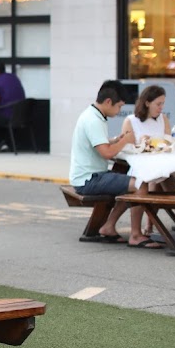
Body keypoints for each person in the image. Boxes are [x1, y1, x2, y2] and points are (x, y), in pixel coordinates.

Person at [70, 80, 158, 249]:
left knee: (128, 183)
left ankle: (109, 226)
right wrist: (125, 140)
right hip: (90, 179)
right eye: (119, 107)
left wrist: (115, 140)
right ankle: (136, 235)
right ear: (108, 102)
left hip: (88, 176)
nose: (119, 112)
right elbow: (107, 153)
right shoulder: (94, 120)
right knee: (140, 184)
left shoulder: (93, 114)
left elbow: (100, 144)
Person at [121, 85, 175, 233]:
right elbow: (129, 147)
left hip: (161, 163)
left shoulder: (162, 119)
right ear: (147, 103)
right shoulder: (131, 121)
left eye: (163, 104)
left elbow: (168, 141)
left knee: (165, 175)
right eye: (158, 104)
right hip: (141, 166)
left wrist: (160, 143)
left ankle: (151, 224)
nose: (161, 107)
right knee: (158, 180)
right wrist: (142, 142)